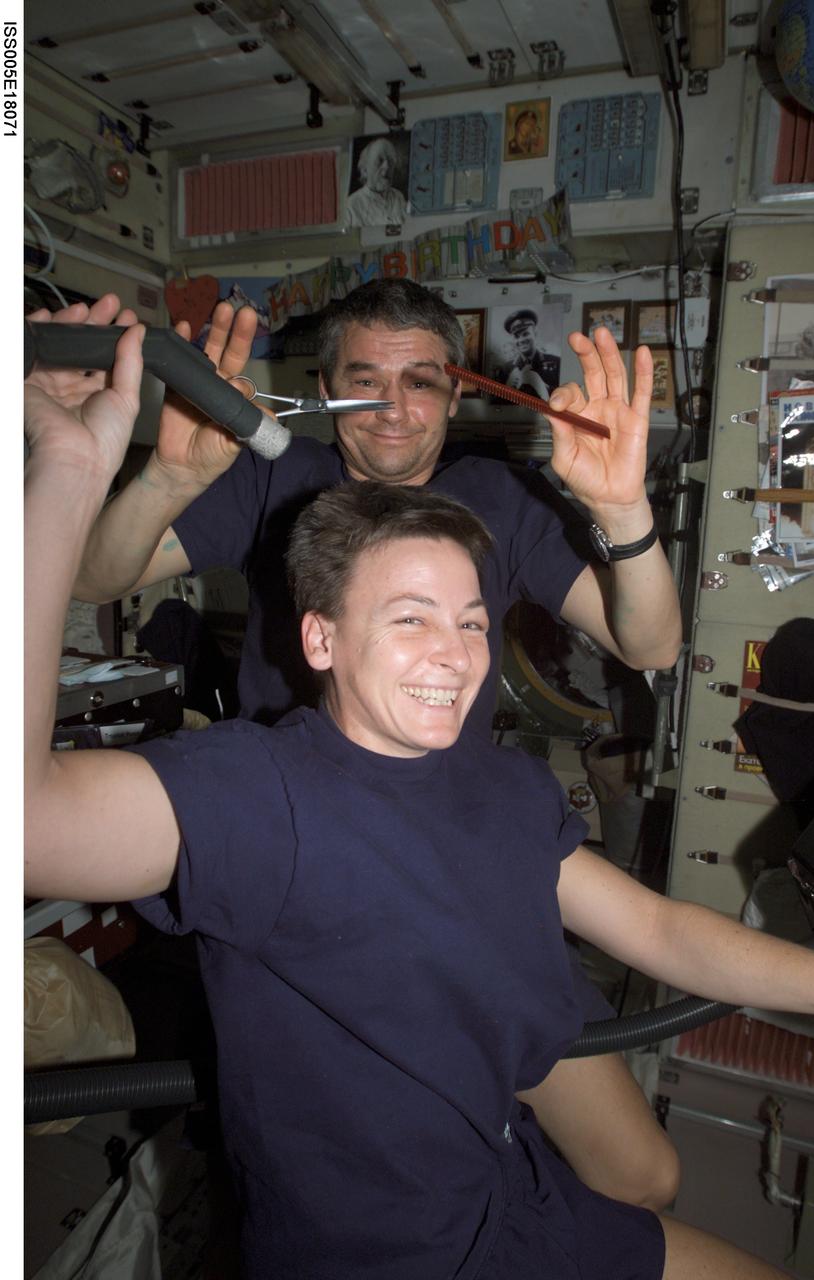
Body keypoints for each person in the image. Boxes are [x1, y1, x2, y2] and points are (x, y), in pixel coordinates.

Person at [24, 338, 814, 1279]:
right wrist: (71, 467)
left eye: (471, 621)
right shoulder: (257, 796)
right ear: (319, 638)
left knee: (650, 1178)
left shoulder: (502, 789)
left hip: (514, 1198)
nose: (455, 652)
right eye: (409, 618)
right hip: (402, 1255)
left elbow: (663, 932)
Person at [30, 279, 683, 1214]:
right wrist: (171, 477)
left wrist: (625, 516)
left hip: (459, 846)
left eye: (421, 381)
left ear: (456, 396)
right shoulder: (271, 472)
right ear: (323, 384)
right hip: (298, 846)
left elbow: (650, 644)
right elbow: (100, 570)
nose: (392, 405)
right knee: (357, 1174)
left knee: (641, 1173)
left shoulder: (492, 493)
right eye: (363, 378)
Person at [494, 306, 561, 399]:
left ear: (535, 333)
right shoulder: (505, 369)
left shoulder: (556, 363)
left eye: (525, 334)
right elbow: (496, 405)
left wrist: (543, 388)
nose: (521, 340)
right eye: (516, 336)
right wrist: (507, 389)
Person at [345, 136, 407, 228]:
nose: (387, 167)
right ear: (365, 170)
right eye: (379, 160)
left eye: (390, 161)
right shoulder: (351, 205)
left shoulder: (398, 197)